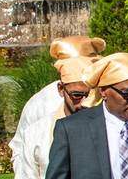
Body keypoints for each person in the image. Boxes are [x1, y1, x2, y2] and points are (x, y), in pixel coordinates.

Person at [9, 36, 106, 169]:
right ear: (61, 88)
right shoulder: (40, 103)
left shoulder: (107, 97)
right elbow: (20, 149)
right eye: (76, 95)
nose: (83, 102)